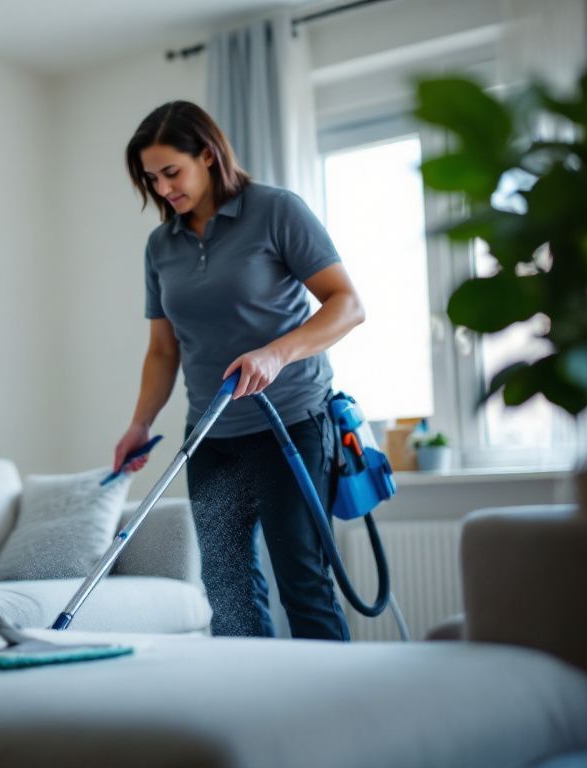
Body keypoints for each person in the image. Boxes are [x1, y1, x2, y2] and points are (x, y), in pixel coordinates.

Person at [112, 101, 365, 640]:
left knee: (302, 579)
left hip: (291, 424)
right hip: (212, 435)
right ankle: (253, 708)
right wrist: (139, 423)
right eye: (151, 179)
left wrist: (277, 353)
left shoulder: (275, 211)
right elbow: (163, 349)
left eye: (171, 172)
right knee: (227, 589)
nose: (162, 189)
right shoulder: (161, 246)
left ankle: (338, 711)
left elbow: (347, 304)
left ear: (207, 155)